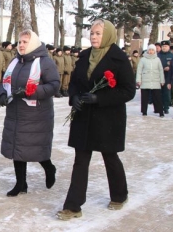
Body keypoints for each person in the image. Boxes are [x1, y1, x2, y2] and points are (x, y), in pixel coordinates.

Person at [57, 19, 135, 221]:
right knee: (80, 160)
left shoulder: (119, 58)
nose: (93, 36)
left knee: (110, 157)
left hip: (108, 118)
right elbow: (74, 82)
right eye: (92, 33)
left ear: (108, 34)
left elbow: (128, 91)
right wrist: (74, 98)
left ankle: (119, 194)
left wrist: (99, 98)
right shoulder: (84, 57)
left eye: (98, 33)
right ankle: (73, 206)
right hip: (84, 117)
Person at [0, 29, 60, 197]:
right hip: (16, 112)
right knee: (18, 149)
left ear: (32, 43)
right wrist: (2, 94)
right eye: (20, 42)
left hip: (37, 115)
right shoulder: (15, 61)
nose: (21, 45)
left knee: (35, 147)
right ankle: (21, 184)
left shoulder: (45, 62)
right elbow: (5, 81)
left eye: (25, 42)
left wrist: (31, 91)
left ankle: (49, 168)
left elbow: (54, 85)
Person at [136, 44, 165, 117]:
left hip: (155, 80)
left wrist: (162, 80)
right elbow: (139, 70)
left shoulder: (157, 59)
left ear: (155, 51)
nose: (151, 51)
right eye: (149, 50)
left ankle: (160, 111)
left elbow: (161, 70)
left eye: (152, 50)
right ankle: (144, 111)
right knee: (144, 97)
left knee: (157, 97)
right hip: (145, 80)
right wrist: (138, 80)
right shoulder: (143, 59)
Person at [158, 40, 173, 114]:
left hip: (168, 76)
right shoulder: (157, 55)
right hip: (158, 77)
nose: (164, 47)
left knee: (166, 93)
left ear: (169, 47)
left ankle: (166, 107)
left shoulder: (171, 55)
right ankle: (158, 107)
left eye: (166, 46)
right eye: (163, 46)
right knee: (158, 93)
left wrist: (169, 68)